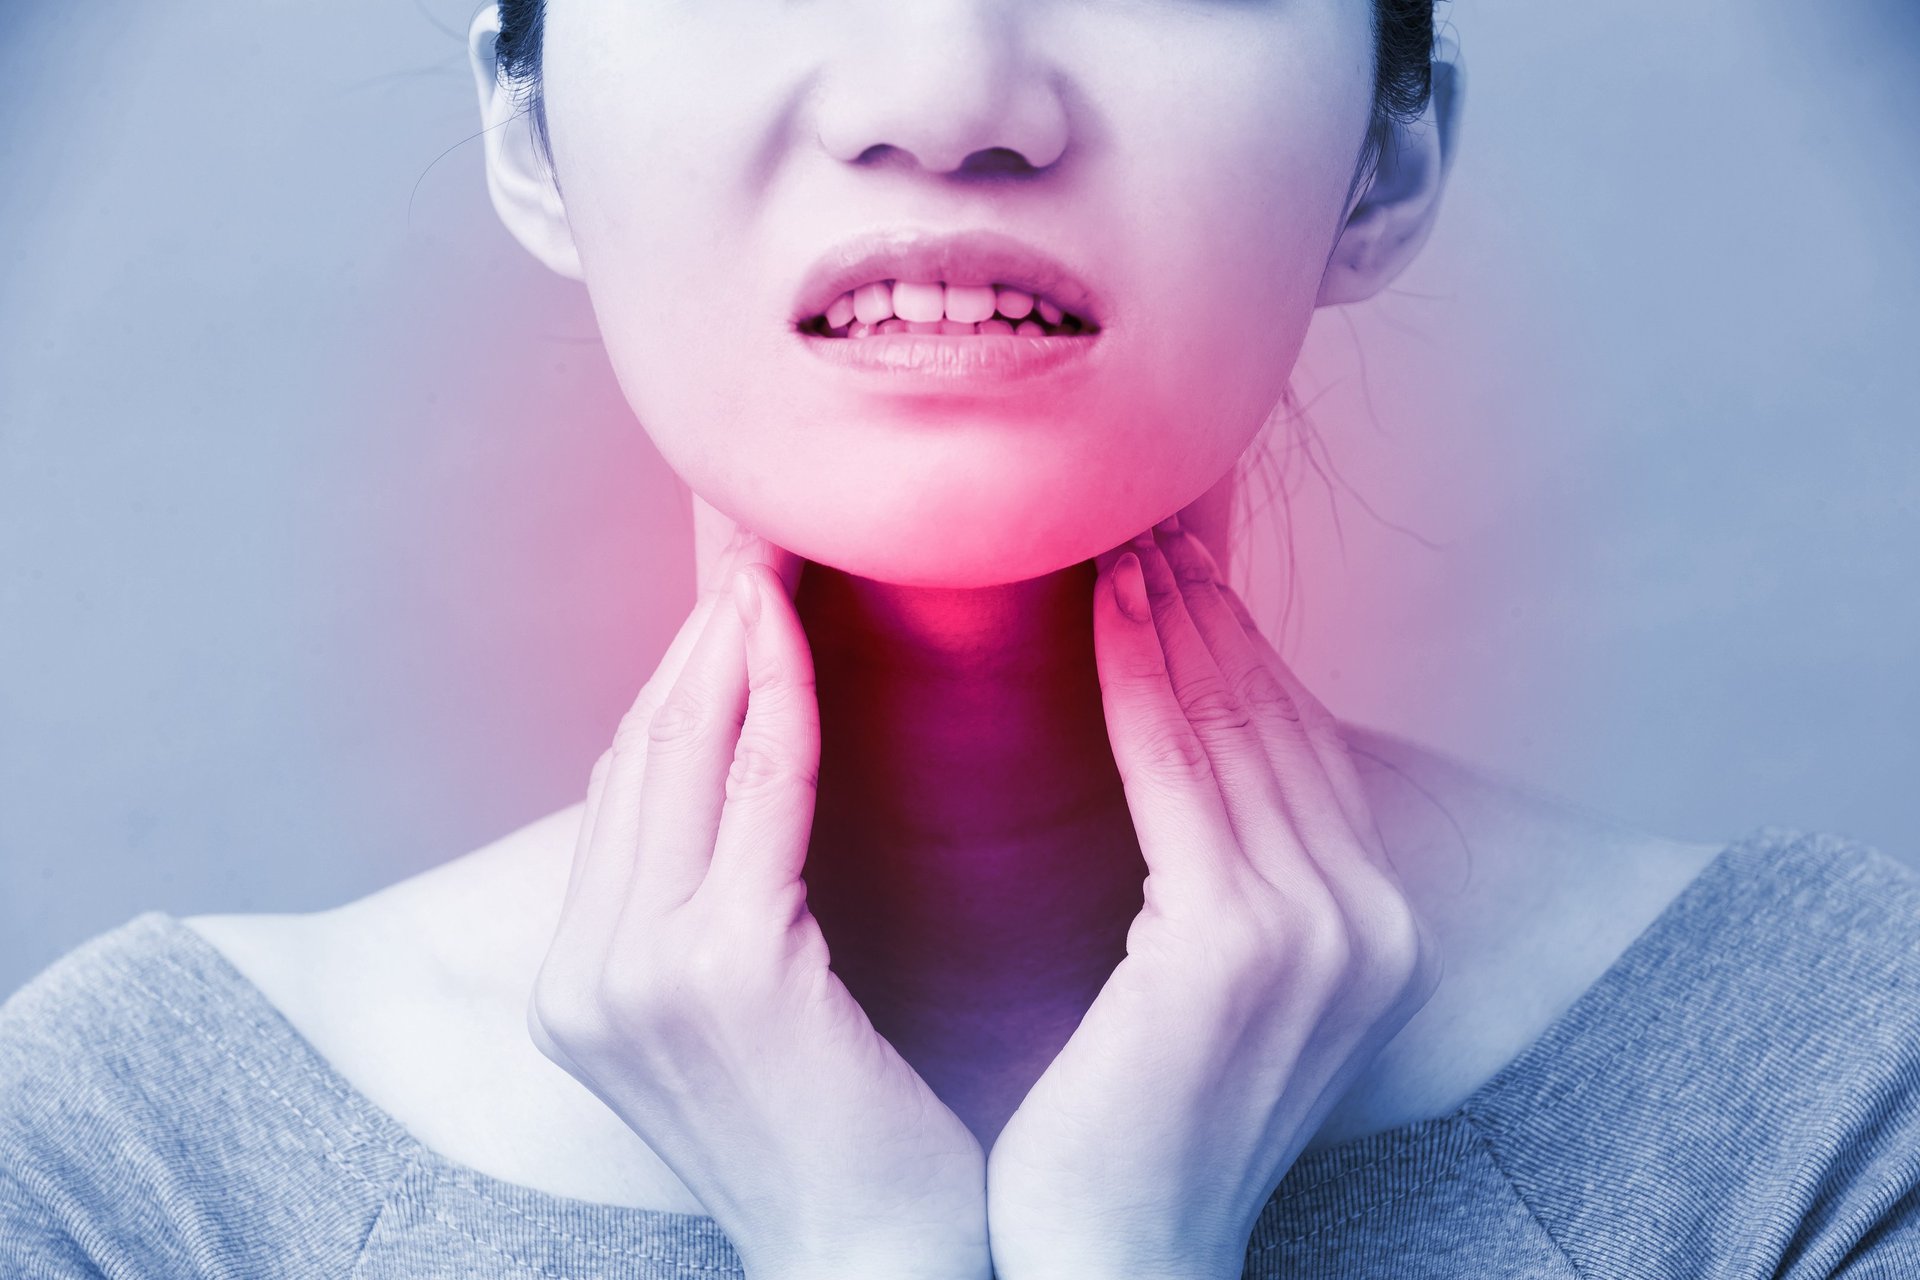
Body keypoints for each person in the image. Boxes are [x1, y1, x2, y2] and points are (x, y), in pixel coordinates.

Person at [4, 1, 1919, 1276]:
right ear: (527, 125)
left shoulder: (1823, 1100)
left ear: (1390, 147)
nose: (945, 99)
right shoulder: (139, 1174)